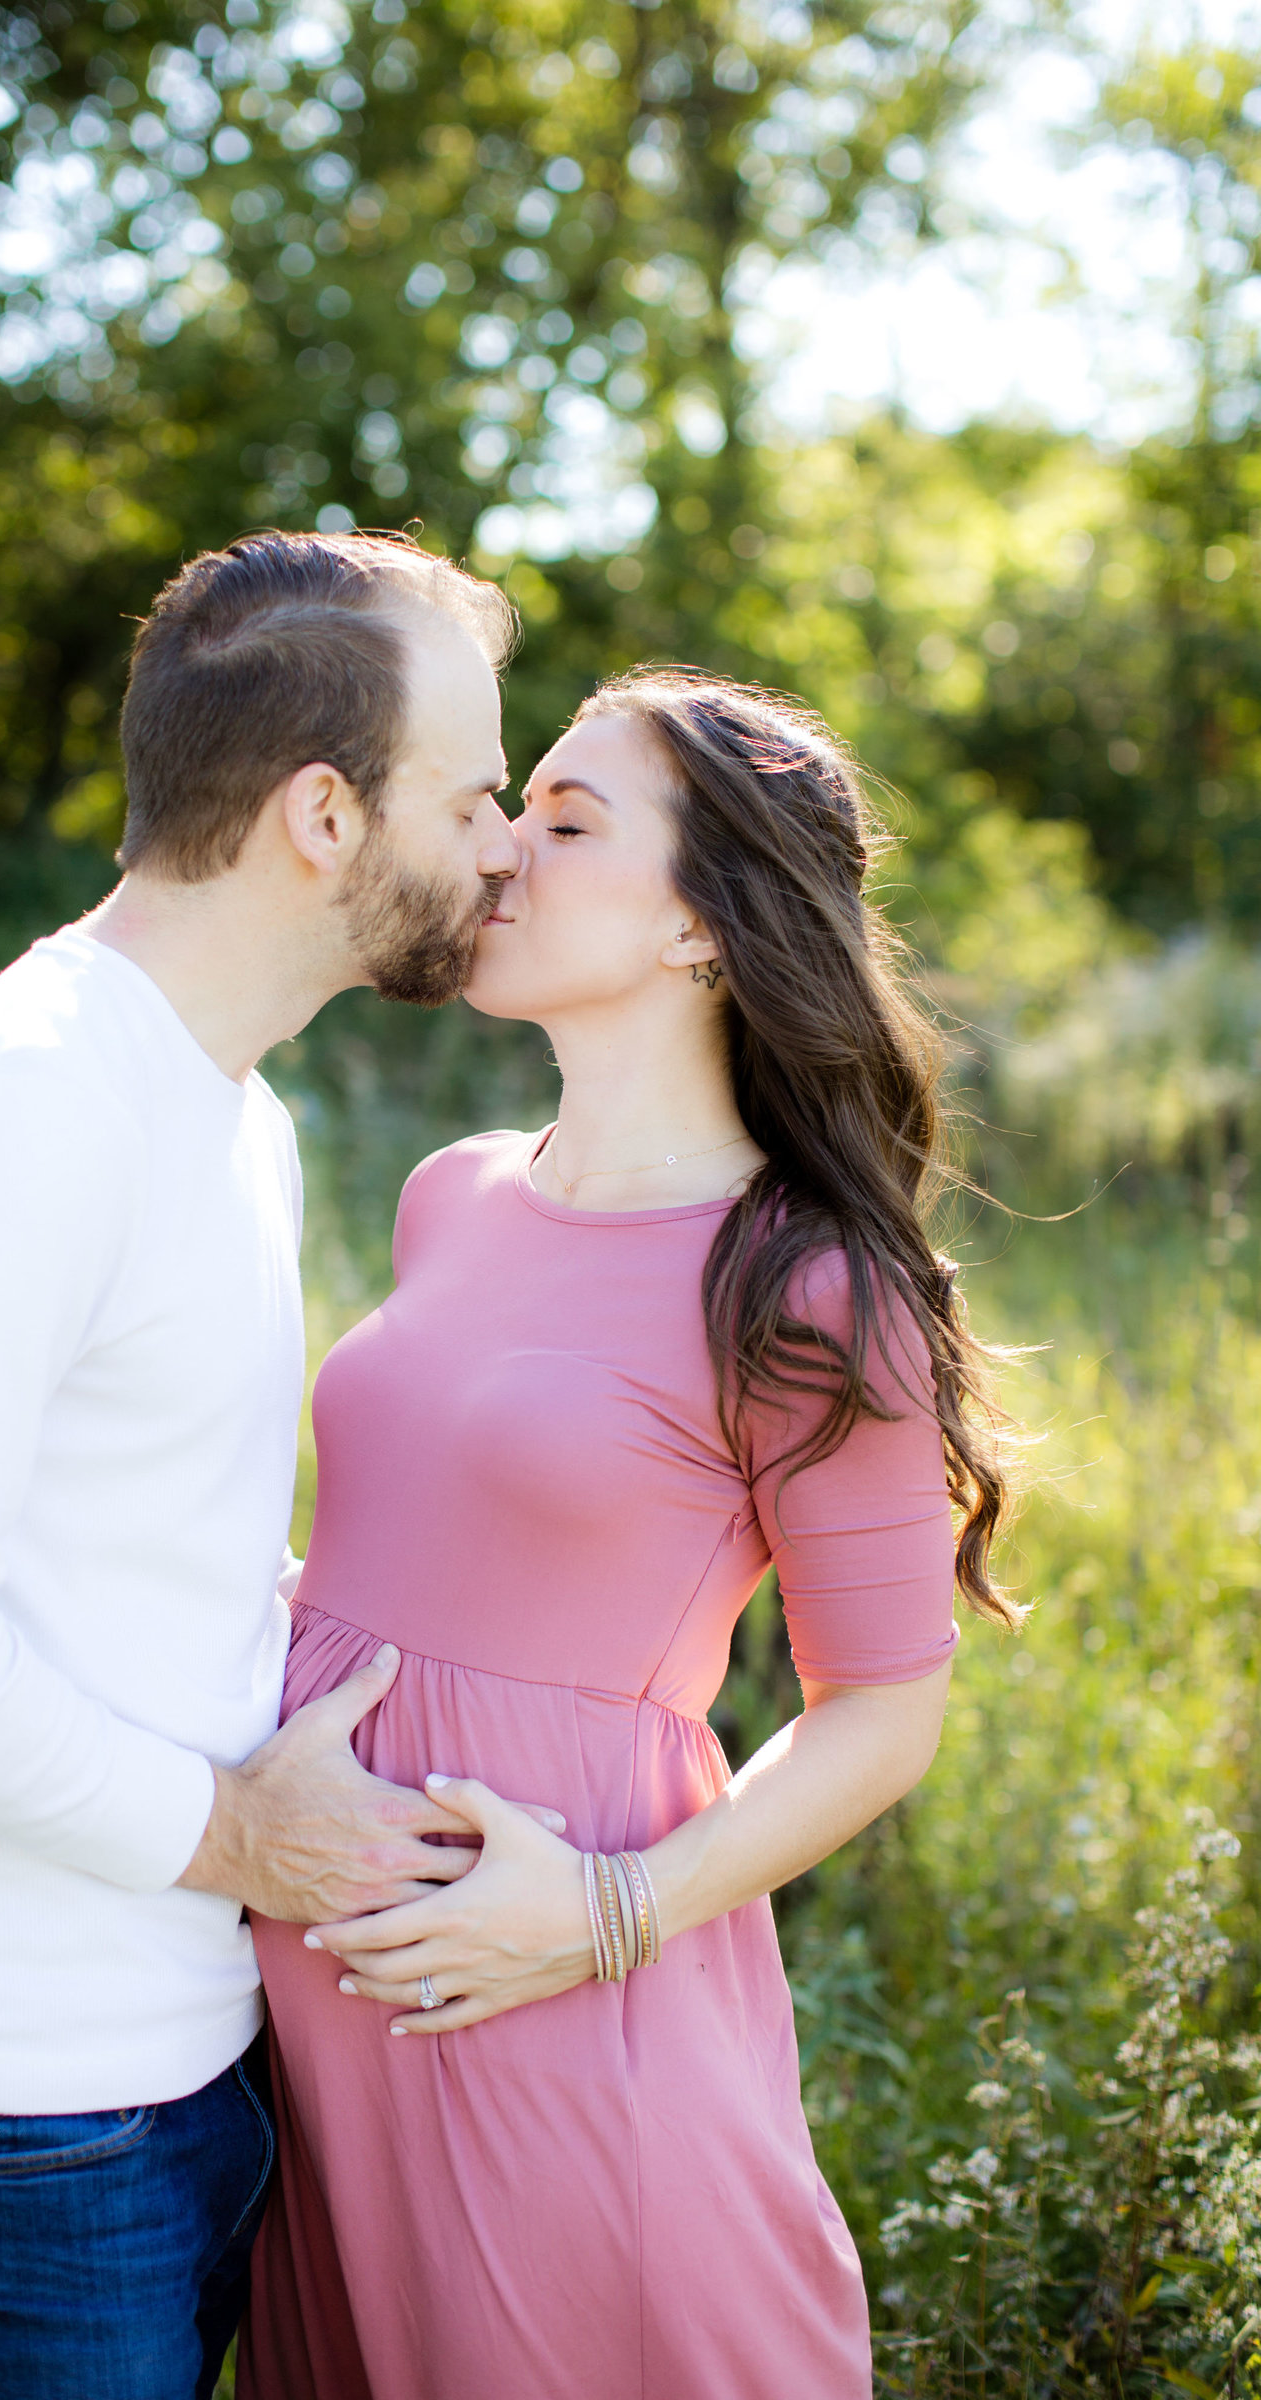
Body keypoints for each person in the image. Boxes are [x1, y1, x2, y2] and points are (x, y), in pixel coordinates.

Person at [0, 530, 555, 2400]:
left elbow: (126, 1549)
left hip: (180, 2070)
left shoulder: (229, 1108)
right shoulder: (18, 1111)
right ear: (322, 817)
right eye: (474, 792)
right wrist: (239, 1838)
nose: (509, 839)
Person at [242, 667, 1020, 2400]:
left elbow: (884, 1711)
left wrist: (601, 1913)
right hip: (319, 2024)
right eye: (520, 806)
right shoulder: (450, 1190)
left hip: (553, 2008)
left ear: (702, 931)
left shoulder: (809, 1283)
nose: (504, 851)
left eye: (572, 823)